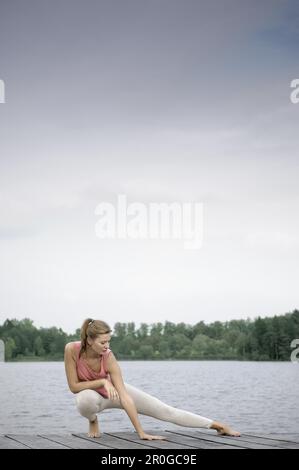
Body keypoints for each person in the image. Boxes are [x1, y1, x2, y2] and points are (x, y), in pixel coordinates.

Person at [64, 318, 241, 441]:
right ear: (89, 340)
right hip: (94, 396)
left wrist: (141, 433)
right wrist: (103, 381)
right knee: (84, 400)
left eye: (109, 341)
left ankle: (218, 426)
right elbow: (74, 387)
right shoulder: (72, 349)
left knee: (165, 411)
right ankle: (93, 420)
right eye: (103, 343)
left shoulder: (108, 357)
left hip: (114, 393)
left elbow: (125, 397)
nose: (107, 346)